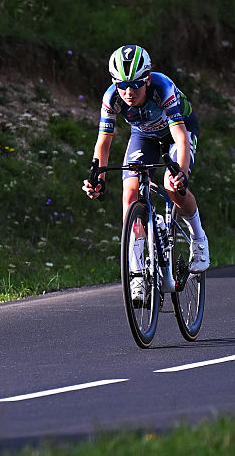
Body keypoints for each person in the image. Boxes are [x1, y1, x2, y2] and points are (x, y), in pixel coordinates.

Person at [82, 45, 209, 302]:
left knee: (172, 186)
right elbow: (103, 143)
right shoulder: (112, 98)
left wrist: (181, 173)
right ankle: (137, 273)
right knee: (130, 195)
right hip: (144, 135)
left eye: (136, 85)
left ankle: (198, 237)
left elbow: (181, 139)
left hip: (178, 132)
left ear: (147, 79)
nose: (128, 92)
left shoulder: (161, 88)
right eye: (122, 85)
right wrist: (98, 179)